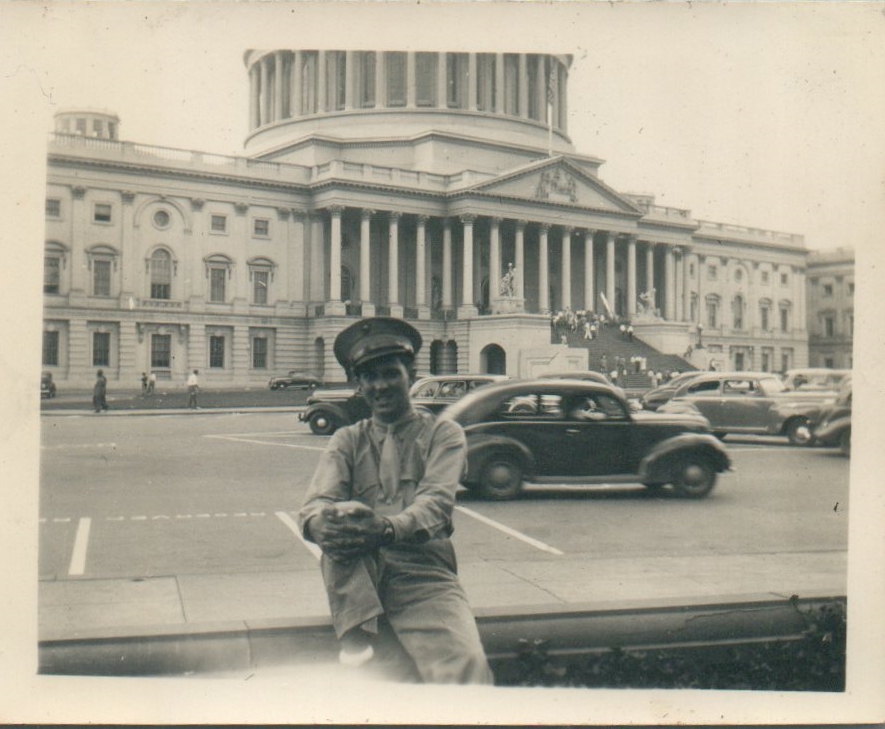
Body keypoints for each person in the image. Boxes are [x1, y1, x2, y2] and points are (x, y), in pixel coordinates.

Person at [299, 317, 493, 685]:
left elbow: (435, 504)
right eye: (369, 377)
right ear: (359, 383)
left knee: (467, 666)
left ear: (411, 373)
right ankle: (356, 640)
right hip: (358, 575)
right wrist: (320, 524)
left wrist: (386, 529)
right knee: (339, 515)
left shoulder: (442, 433)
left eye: (390, 373)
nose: (380, 385)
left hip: (423, 574)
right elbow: (313, 505)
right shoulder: (346, 440)